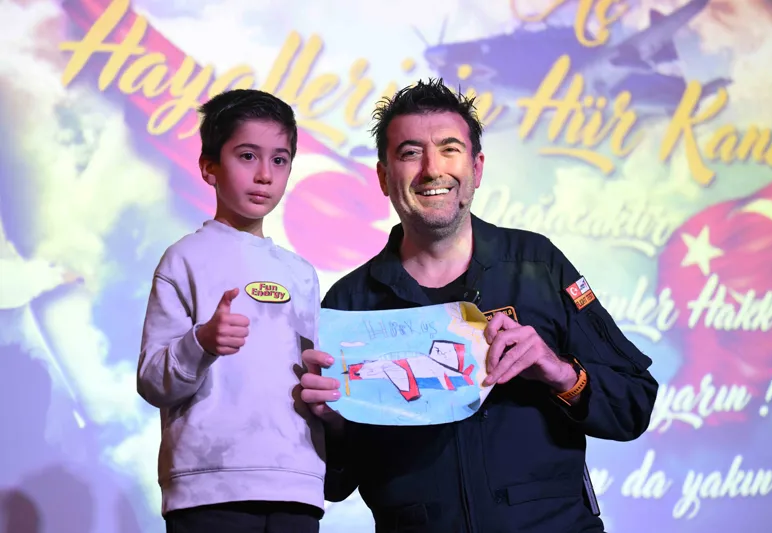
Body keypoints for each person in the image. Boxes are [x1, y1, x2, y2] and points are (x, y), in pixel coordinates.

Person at [299, 78, 659, 532]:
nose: (432, 169)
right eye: (410, 153)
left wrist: (559, 372)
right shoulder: (349, 306)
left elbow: (633, 405)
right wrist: (331, 424)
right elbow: (334, 483)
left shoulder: (538, 265)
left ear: (477, 167)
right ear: (384, 177)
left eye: (449, 149)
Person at [137, 89, 326, 533]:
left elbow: (311, 380)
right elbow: (151, 380)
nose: (264, 175)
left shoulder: (301, 273)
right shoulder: (183, 259)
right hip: (208, 485)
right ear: (209, 167)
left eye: (279, 160)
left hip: (295, 485)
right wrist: (201, 342)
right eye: (247, 156)